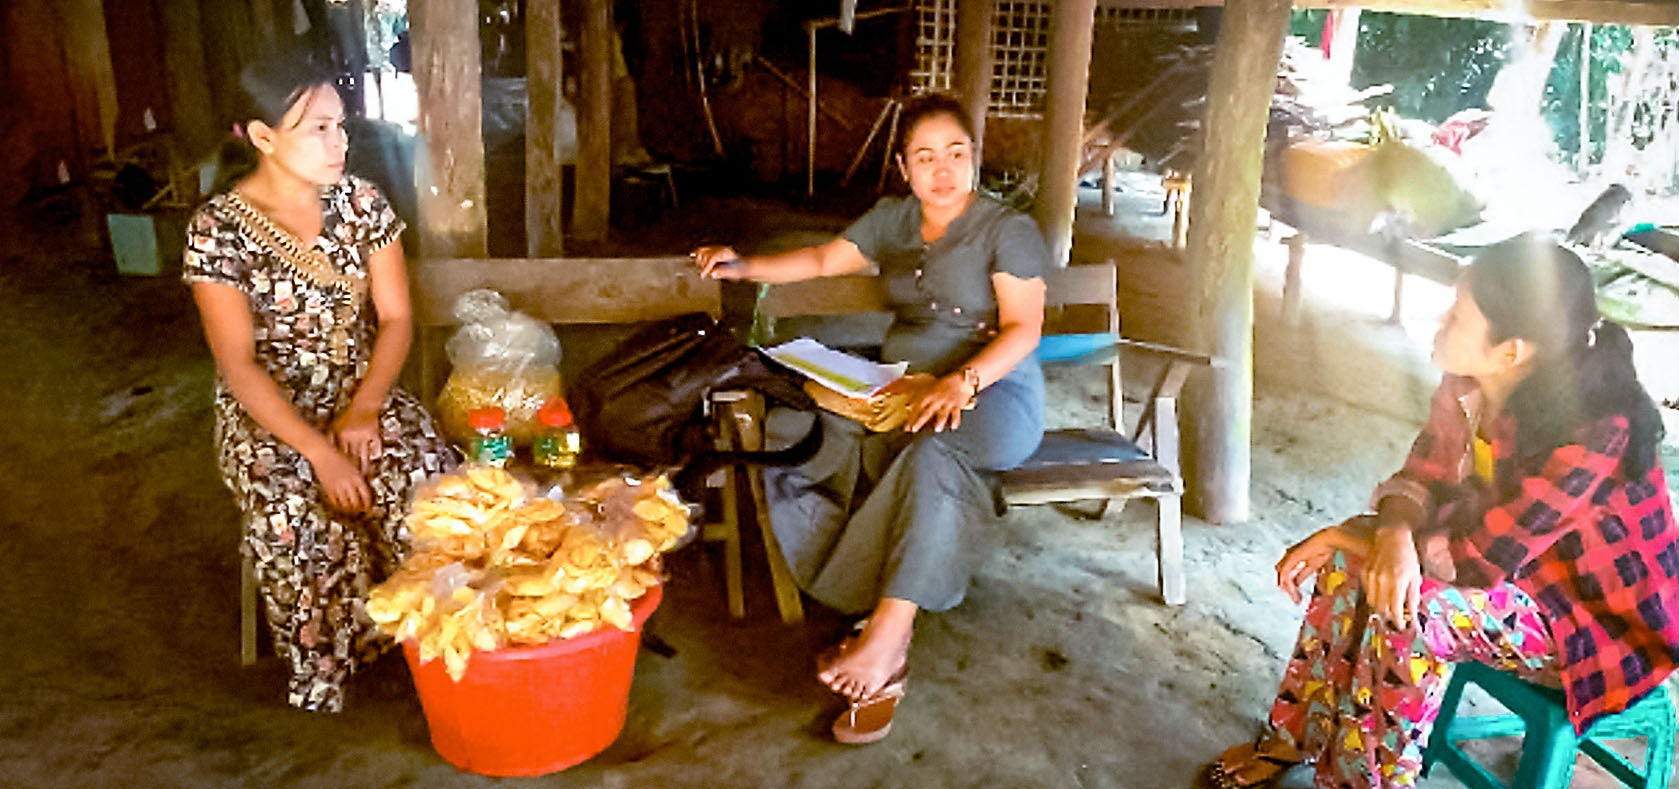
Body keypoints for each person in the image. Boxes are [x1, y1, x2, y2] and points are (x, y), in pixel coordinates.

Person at [1207, 234, 1679, 788]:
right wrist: (1387, 535)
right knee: (1356, 570)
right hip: (1514, 568)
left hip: (1587, 626)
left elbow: (1477, 562)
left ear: (1512, 350)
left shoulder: (1596, 431)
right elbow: (1421, 478)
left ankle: (1363, 782)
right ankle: (1292, 739)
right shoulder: (1467, 385)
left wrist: (1354, 537)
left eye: (1457, 313)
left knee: (1410, 611)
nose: (1441, 317)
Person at [691, 92, 1048, 744]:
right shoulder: (895, 220)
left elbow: (1024, 328)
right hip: (904, 388)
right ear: (903, 165)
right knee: (804, 426)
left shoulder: (1007, 229)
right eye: (925, 156)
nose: (942, 170)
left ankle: (886, 638)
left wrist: (959, 380)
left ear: (975, 157)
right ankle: (874, 608)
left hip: (994, 392)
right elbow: (825, 259)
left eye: (956, 154)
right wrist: (744, 266)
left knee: (935, 450)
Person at [182, 50, 454, 712]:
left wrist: (363, 410)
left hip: (362, 388)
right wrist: (321, 451)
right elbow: (238, 365)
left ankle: (442, 640)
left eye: (340, 126)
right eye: (317, 129)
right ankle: (329, 666)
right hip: (267, 411)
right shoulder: (216, 230)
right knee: (291, 516)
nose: (339, 144)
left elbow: (394, 319)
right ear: (262, 137)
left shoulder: (361, 203)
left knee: (431, 486)